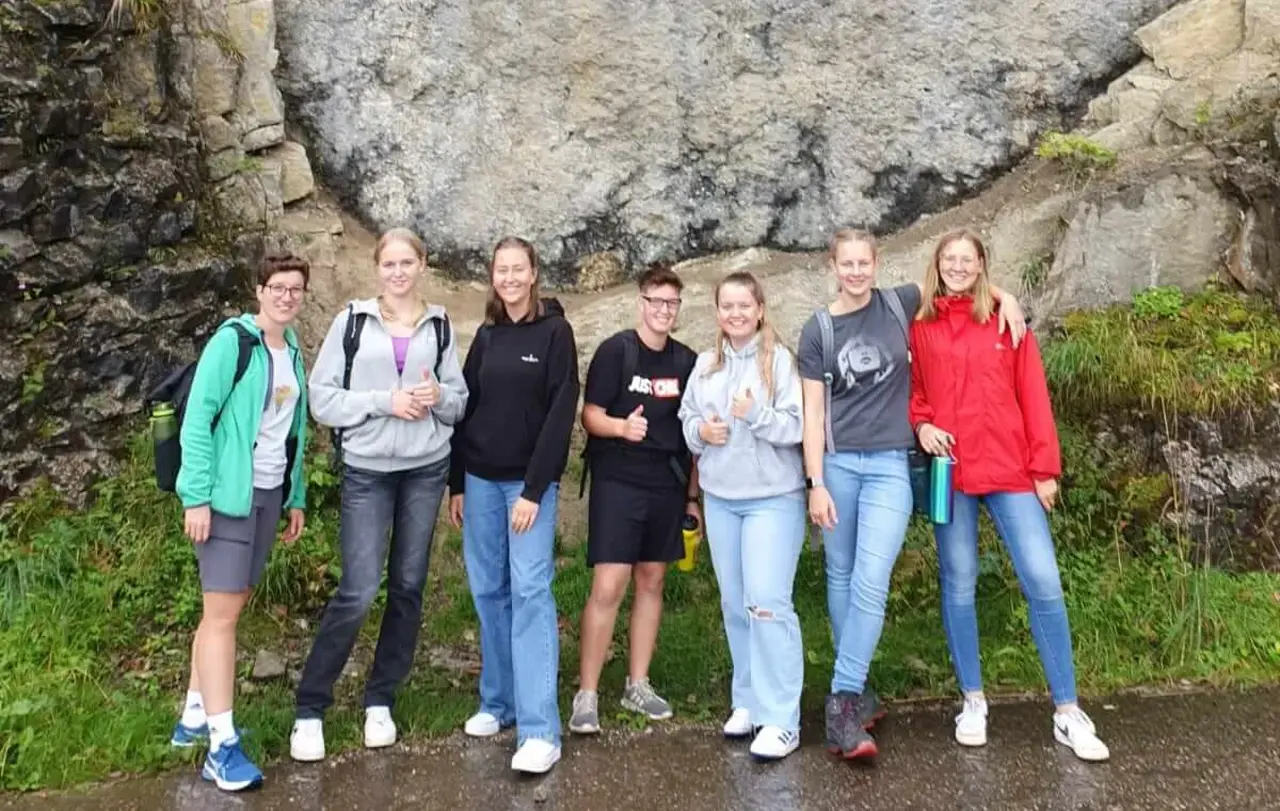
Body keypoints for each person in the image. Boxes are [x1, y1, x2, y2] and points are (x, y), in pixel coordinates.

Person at [797, 228, 1027, 760]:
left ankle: (843, 700)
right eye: (846, 264)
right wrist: (816, 483)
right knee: (840, 575)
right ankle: (860, 689)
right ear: (833, 265)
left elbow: (965, 285)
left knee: (871, 581)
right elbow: (813, 416)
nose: (855, 272)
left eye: (863, 263)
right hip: (836, 465)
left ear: (877, 264)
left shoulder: (900, 303)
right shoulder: (819, 330)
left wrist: (1008, 297)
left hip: (889, 466)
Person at [908, 229, 1110, 762]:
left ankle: (1068, 710)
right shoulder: (920, 324)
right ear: (937, 265)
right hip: (950, 472)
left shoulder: (1005, 319)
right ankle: (972, 700)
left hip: (1011, 468)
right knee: (959, 583)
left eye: (966, 259)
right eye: (948, 259)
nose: (956, 267)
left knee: (1042, 579)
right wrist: (923, 425)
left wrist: (1045, 468)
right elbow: (918, 395)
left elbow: (1033, 393)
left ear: (981, 266)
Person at [289, 228, 468, 762]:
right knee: (360, 588)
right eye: (389, 263)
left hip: (425, 469)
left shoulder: (438, 325)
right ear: (377, 269)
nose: (398, 272)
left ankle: (380, 700)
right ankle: (310, 708)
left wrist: (438, 396)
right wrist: (383, 401)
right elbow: (321, 399)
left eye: (407, 262)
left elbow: (458, 402)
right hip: (367, 469)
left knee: (409, 586)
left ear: (422, 264)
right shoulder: (351, 322)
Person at [169, 253, 311, 792]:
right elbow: (198, 421)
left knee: (226, 607)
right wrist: (196, 497)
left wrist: (294, 493)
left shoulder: (292, 348)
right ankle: (220, 746)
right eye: (278, 286)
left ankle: (192, 716)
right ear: (259, 290)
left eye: (296, 288)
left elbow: (292, 429)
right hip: (227, 496)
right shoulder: (234, 342)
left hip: (269, 493)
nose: (287, 296)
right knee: (223, 615)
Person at [448, 237, 580, 774]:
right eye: (500, 270)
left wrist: (533, 489)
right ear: (494, 277)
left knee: (530, 592)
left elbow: (560, 413)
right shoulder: (487, 335)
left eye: (517, 269)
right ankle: (497, 703)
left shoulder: (555, 333)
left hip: (527, 487)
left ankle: (540, 728)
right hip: (479, 480)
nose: (509, 278)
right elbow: (467, 407)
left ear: (533, 274)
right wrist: (457, 481)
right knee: (489, 590)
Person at [677, 271, 807, 760]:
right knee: (736, 603)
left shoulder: (780, 362)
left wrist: (755, 416)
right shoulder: (707, 365)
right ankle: (748, 700)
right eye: (726, 306)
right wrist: (700, 433)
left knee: (768, 602)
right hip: (722, 497)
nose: (735, 314)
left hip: (773, 497)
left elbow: (796, 426)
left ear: (759, 309)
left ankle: (782, 719)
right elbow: (687, 419)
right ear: (717, 313)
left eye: (743, 306)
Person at [569, 265, 701, 736]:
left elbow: (692, 437)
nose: (663, 310)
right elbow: (590, 415)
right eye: (656, 301)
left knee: (652, 579)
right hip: (618, 479)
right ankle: (586, 694)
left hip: (666, 483)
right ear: (640, 302)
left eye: (672, 303)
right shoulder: (616, 351)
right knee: (609, 584)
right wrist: (622, 428)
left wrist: (692, 499)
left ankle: (637, 684)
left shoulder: (686, 361)